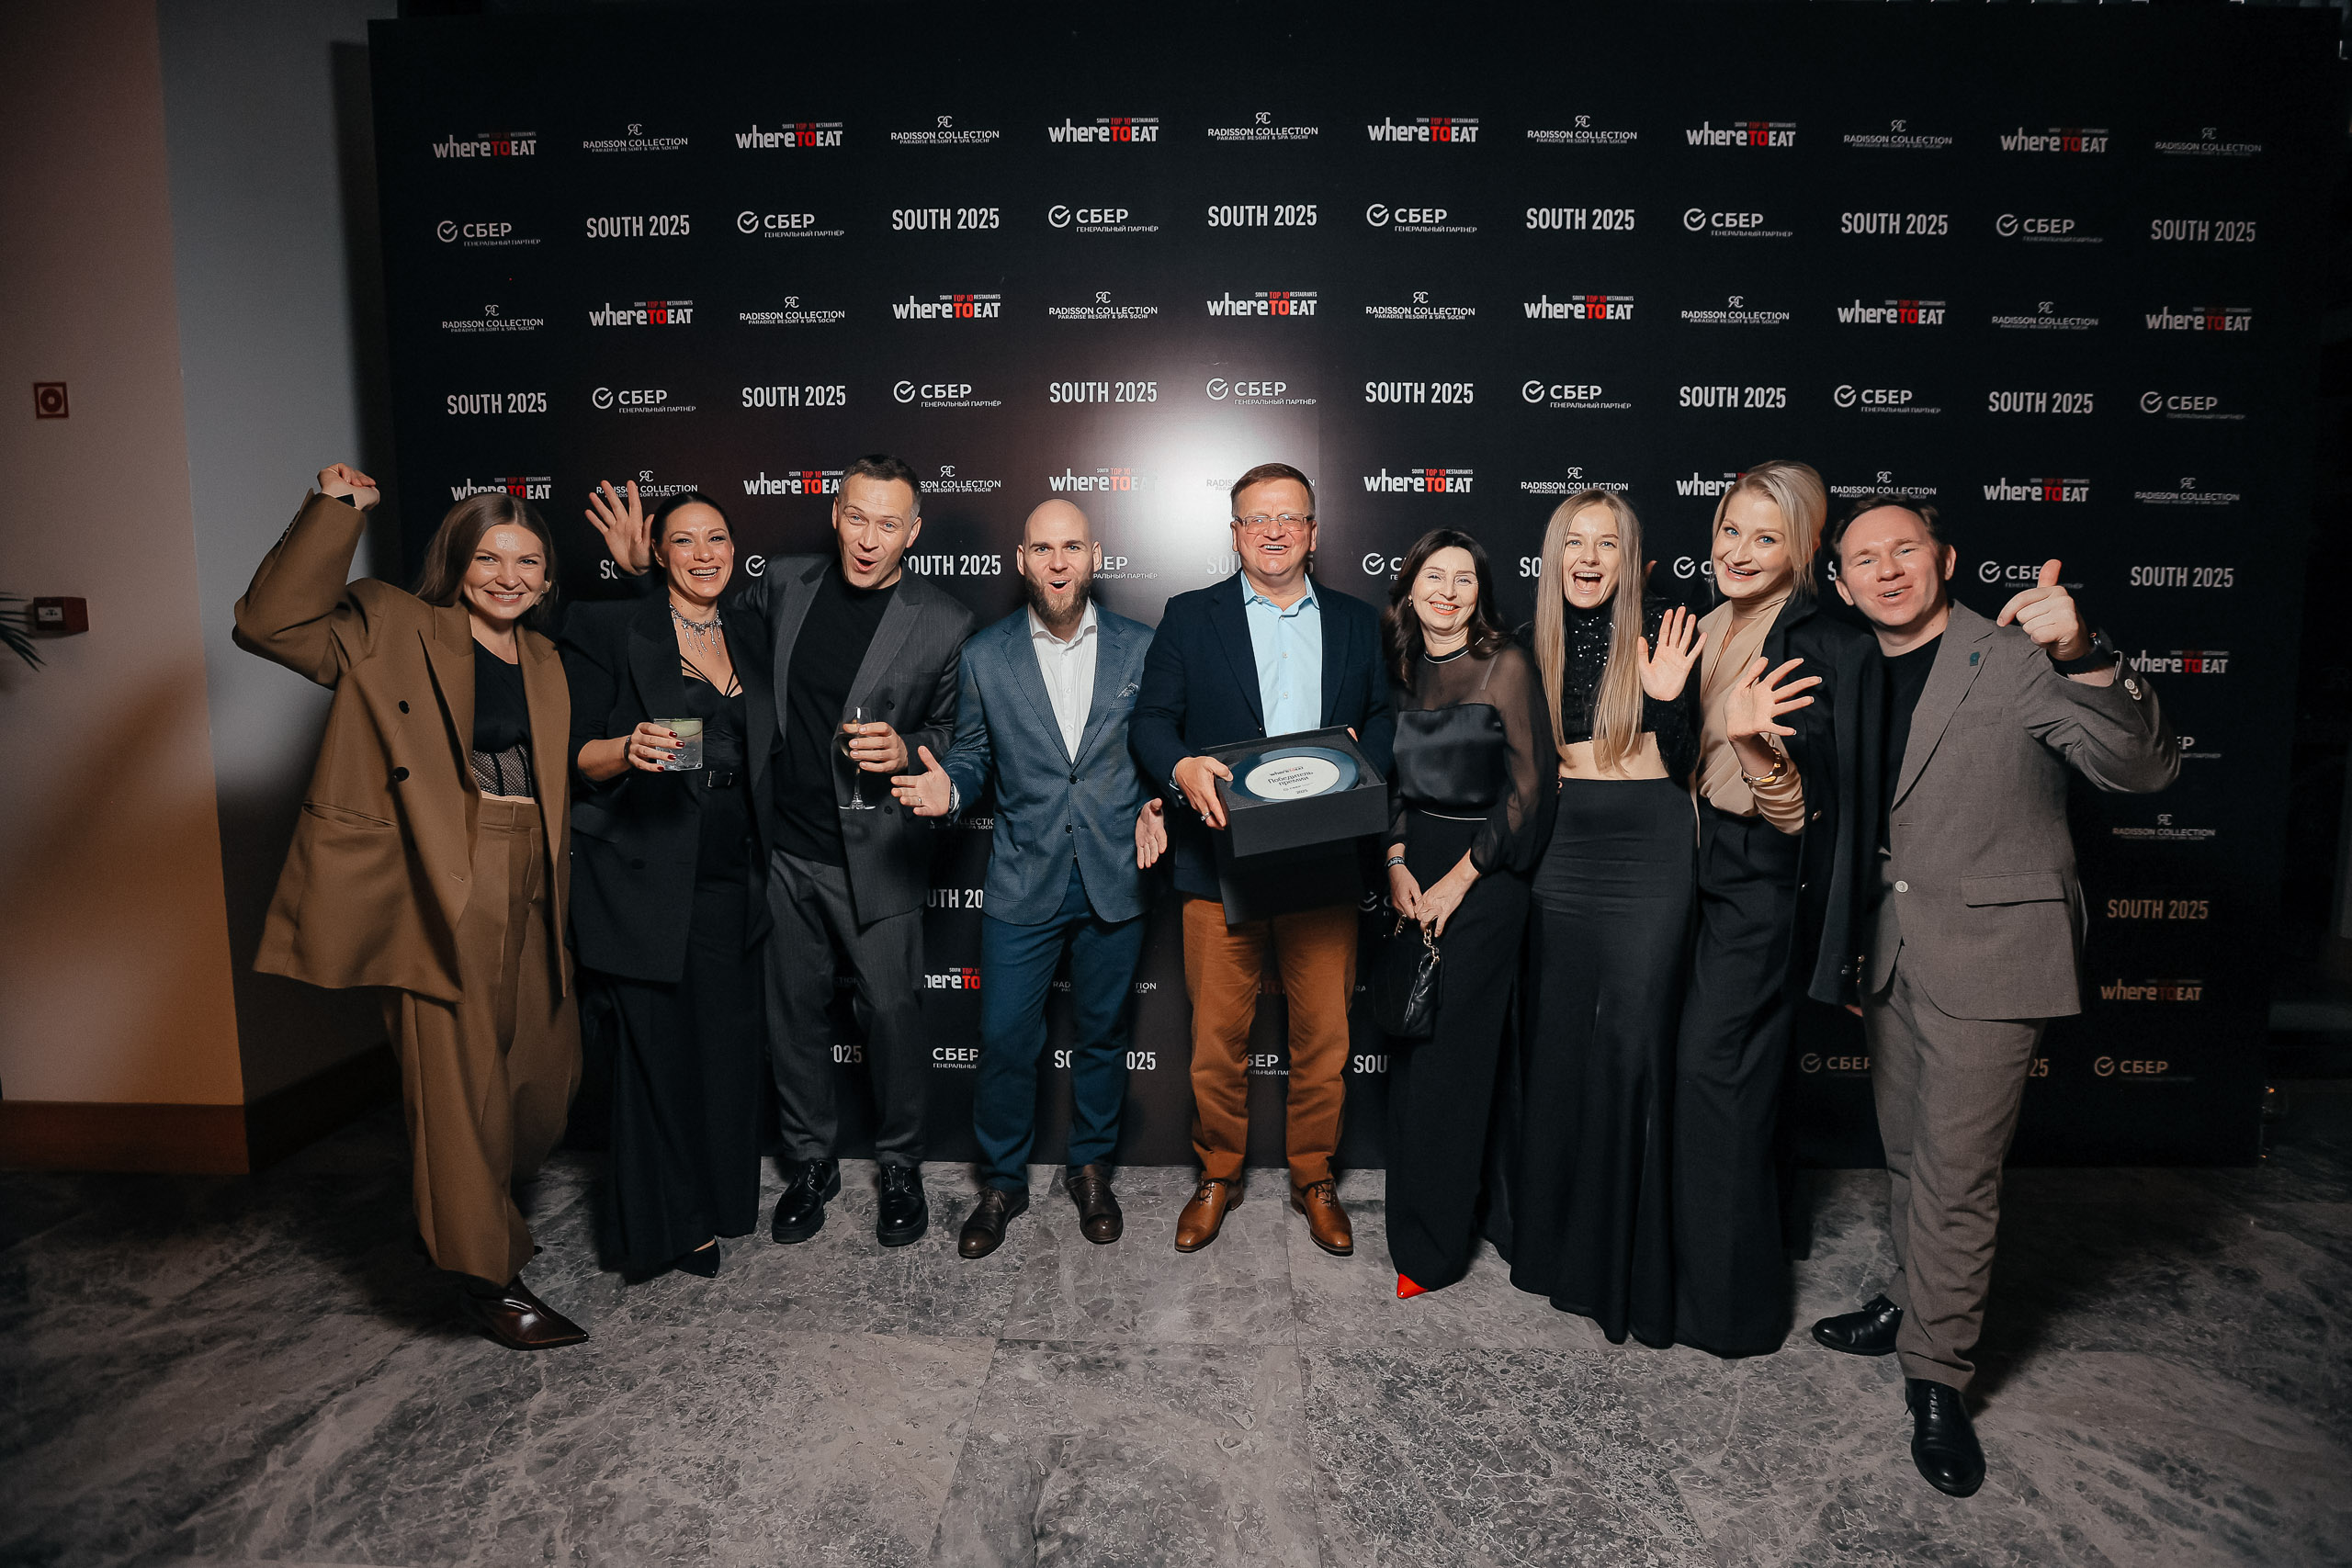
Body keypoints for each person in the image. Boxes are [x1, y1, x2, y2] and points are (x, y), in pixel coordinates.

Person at [1808, 497, 2177, 1497]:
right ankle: (1906, 1298)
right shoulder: (1853, 666)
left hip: (1995, 955)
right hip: (1892, 952)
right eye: (1863, 560)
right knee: (1904, 1153)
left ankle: (1936, 1374)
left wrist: (2083, 652)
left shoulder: (2014, 656)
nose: (1887, 570)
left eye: (1905, 550)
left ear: (1945, 559)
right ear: (1841, 584)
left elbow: (2141, 766)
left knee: (1957, 1174)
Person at [234, 465, 584, 1350]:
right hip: (441, 876)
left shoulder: (546, 659)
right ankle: (486, 1276)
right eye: (489, 557)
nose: (508, 576)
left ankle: (477, 1209)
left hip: (531, 872)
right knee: (457, 1086)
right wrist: (336, 510)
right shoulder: (392, 624)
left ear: (547, 576)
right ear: (456, 563)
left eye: (527, 560)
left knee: (540, 1082)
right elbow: (270, 623)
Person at [588, 455, 975, 1248]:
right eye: (857, 517)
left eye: (888, 524)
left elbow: (954, 733)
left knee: (893, 1014)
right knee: (791, 1014)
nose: (868, 539)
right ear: (836, 515)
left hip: (878, 852)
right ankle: (811, 1160)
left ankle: (900, 1164)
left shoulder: (944, 619)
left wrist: (908, 747)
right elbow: (692, 629)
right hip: (780, 850)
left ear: (913, 533)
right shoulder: (785, 585)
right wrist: (641, 571)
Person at [1131, 462, 1396, 1257]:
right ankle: (1219, 1172)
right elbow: (1151, 722)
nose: (1273, 531)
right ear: (1235, 533)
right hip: (1219, 863)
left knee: (1326, 1042)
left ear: (1314, 532)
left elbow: (1385, 717)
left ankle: (1315, 1176)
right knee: (1216, 1042)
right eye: (1257, 518)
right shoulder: (1190, 616)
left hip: (1323, 865)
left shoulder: (1357, 621)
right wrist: (1179, 768)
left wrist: (1364, 757)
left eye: (1289, 517)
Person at [888, 500, 1167, 1258]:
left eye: (1072, 546)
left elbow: (1160, 746)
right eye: (1042, 548)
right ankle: (1003, 1182)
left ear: (1095, 556)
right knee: (1006, 1038)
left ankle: (1091, 1170)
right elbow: (974, 754)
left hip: (1115, 875)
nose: (1058, 562)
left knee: (1104, 1035)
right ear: (1021, 561)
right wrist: (951, 788)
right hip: (1023, 877)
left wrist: (1157, 801)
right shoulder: (986, 655)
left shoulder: (1143, 647)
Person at [1672, 461, 1880, 1358]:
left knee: (1715, 1079)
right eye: (1730, 530)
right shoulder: (1711, 623)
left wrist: (1757, 752)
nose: (1739, 551)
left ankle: (1732, 1314)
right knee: (1731, 1080)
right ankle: (1702, 1265)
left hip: (1761, 875)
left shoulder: (1822, 642)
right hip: (1692, 866)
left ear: (1802, 551)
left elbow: (1803, 814)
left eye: (1766, 537)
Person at [1506, 489, 1701, 1348]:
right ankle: (1552, 1248)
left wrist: (1666, 698)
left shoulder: (1665, 630)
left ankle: (1622, 1268)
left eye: (1608, 543)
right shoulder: (1525, 644)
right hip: (1562, 851)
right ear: (1555, 556)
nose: (1589, 558)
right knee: (1559, 1051)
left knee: (1631, 1047)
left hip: (1648, 848)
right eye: (1575, 542)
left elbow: (1691, 760)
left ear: (1631, 558)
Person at [561, 491, 769, 1280]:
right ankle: (671, 1226)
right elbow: (573, 752)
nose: (703, 553)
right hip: (646, 870)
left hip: (731, 875)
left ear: (734, 549)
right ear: (658, 551)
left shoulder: (750, 632)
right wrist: (627, 748)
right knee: (657, 1057)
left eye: (716, 538)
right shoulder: (613, 627)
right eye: (684, 540)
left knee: (722, 1052)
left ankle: (717, 1200)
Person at [1378, 530, 1554, 1298]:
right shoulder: (1403, 668)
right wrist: (1394, 863)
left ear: (1481, 592)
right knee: (1412, 1049)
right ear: (1410, 587)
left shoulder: (1505, 664)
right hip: (1413, 870)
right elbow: (1391, 786)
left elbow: (1530, 790)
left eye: (1464, 579)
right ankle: (1417, 1221)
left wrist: (1459, 879)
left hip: (1485, 873)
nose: (1447, 592)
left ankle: (1435, 1249)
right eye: (1433, 576)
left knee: (1453, 1062)